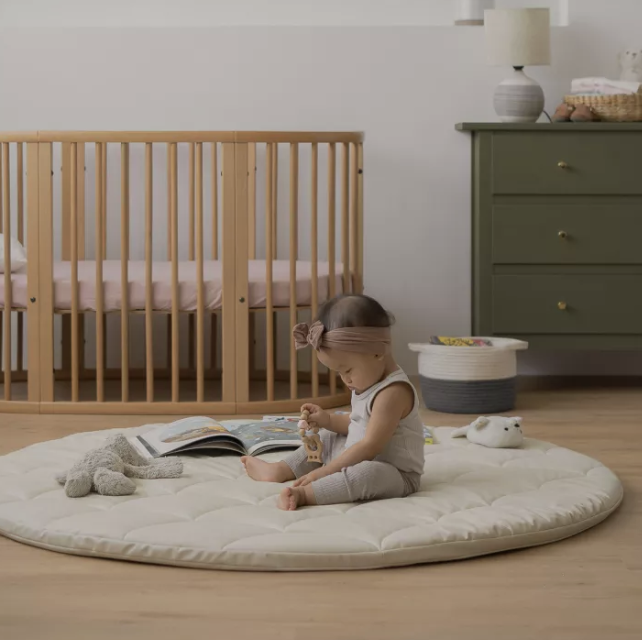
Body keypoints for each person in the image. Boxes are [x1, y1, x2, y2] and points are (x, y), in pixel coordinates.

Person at [242, 294, 425, 511]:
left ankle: (304, 494)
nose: (344, 379)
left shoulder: (393, 393)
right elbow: (358, 423)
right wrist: (327, 420)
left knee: (368, 473)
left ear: (378, 352)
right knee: (327, 438)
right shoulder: (366, 381)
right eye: (339, 372)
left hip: (395, 474)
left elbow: (370, 445)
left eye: (347, 370)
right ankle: (281, 469)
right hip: (360, 455)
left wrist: (325, 472)